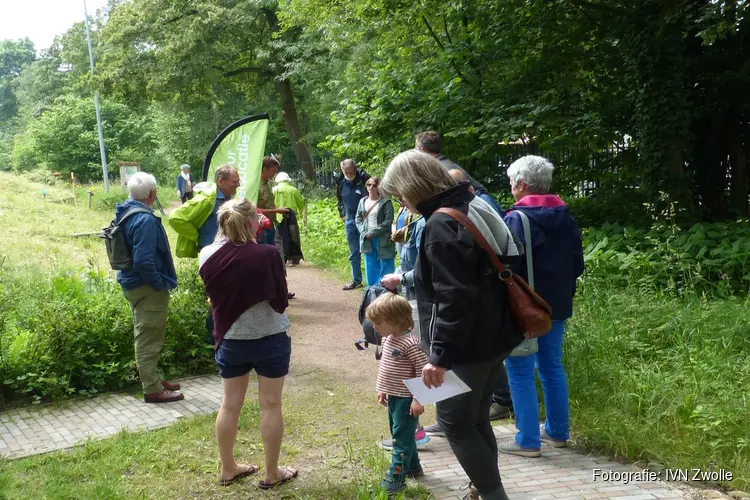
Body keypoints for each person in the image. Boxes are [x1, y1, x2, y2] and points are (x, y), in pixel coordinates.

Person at [381, 150, 524, 500]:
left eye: (400, 194)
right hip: (493, 337)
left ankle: (493, 495)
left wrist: (440, 357)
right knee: (475, 422)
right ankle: (485, 490)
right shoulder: (472, 204)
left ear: (415, 186)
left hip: (466, 349)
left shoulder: (441, 225)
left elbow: (455, 299)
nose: (401, 202)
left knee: (456, 424)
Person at [198, 198, 297, 489]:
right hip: (270, 339)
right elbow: (280, 299)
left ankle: (228, 468)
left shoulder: (206, 253)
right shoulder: (267, 254)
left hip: (230, 339)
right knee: (271, 405)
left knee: (229, 405)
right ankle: (271, 473)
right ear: (252, 222)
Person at [499, 156, 584, 458]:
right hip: (558, 304)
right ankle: (558, 432)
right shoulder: (565, 215)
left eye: (511, 184)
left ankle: (527, 440)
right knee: (551, 366)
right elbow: (577, 264)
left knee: (520, 369)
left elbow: (509, 269)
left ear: (521, 185)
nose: (511, 189)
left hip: (527, 308)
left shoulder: (515, 219)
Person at [447, 168, 512, 421]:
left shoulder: (471, 209)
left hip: (484, 298)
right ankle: (493, 402)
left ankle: (495, 402)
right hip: (490, 296)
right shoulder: (480, 206)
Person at [115, 172, 182, 403]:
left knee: (145, 333)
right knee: (149, 339)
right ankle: (152, 388)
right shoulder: (145, 220)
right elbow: (144, 261)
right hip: (146, 286)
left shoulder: (127, 212)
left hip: (132, 283)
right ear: (153, 194)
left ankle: (153, 377)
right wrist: (158, 284)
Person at [366, 293, 428, 496]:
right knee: (399, 433)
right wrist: (382, 388)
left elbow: (422, 372)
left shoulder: (410, 344)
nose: (374, 327)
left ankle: (396, 478)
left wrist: (418, 399)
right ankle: (413, 467)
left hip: (407, 400)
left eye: (378, 322)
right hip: (393, 396)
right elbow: (386, 368)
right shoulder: (388, 339)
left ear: (395, 320)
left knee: (400, 439)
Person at [168, 164, 240, 258]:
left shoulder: (229, 196)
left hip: (225, 248)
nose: (238, 185)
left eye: (238, 181)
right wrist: (196, 236)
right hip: (210, 251)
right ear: (221, 181)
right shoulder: (206, 199)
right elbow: (175, 217)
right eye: (235, 182)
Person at [257, 156, 295, 300]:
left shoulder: (267, 184)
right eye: (272, 171)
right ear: (265, 169)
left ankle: (280, 290)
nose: (274, 174)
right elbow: (254, 209)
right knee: (268, 260)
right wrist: (276, 211)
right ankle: (270, 293)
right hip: (261, 229)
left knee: (276, 258)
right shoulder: (256, 186)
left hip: (271, 226)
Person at [335, 159, 371, 290]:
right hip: (349, 219)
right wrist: (343, 214)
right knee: (353, 252)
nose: (348, 174)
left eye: (351, 171)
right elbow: (339, 199)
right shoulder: (340, 181)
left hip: (365, 218)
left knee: (369, 249)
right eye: (346, 172)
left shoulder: (365, 180)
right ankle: (356, 280)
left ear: (355, 169)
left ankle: (373, 280)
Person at [414, 131, 487, 193]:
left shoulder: (440, 168)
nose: (415, 151)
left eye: (416, 147)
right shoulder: (444, 165)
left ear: (422, 149)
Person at [355, 177, 395, 286]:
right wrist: (363, 232)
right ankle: (372, 289)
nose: (371, 187)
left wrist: (373, 232)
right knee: (370, 264)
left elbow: (388, 221)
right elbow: (358, 219)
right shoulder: (362, 201)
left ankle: (387, 288)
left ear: (379, 187)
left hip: (382, 237)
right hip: (367, 238)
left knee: (386, 263)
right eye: (369, 184)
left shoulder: (386, 202)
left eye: (374, 185)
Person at [273, 172, 305, 265]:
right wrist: (300, 212)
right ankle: (294, 258)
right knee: (293, 236)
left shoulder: (274, 190)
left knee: (280, 237)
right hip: (292, 217)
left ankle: (283, 258)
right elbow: (300, 203)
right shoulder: (293, 190)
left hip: (278, 216)